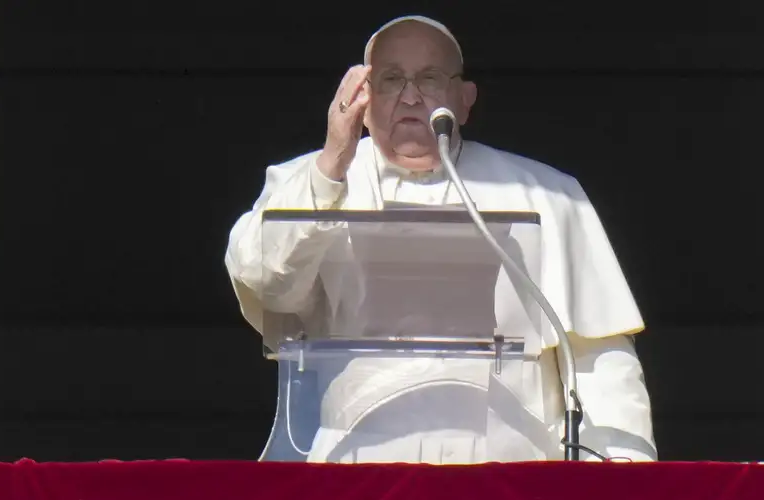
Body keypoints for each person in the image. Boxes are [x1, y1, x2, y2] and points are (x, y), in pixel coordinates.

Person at [225, 15, 656, 463]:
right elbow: (265, 282)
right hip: (355, 465)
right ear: (363, 98)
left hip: (510, 468)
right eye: (391, 80)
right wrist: (334, 161)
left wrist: (624, 482)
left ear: (465, 99)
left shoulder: (545, 193)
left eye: (429, 79)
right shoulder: (311, 181)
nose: (410, 96)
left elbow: (599, 361)